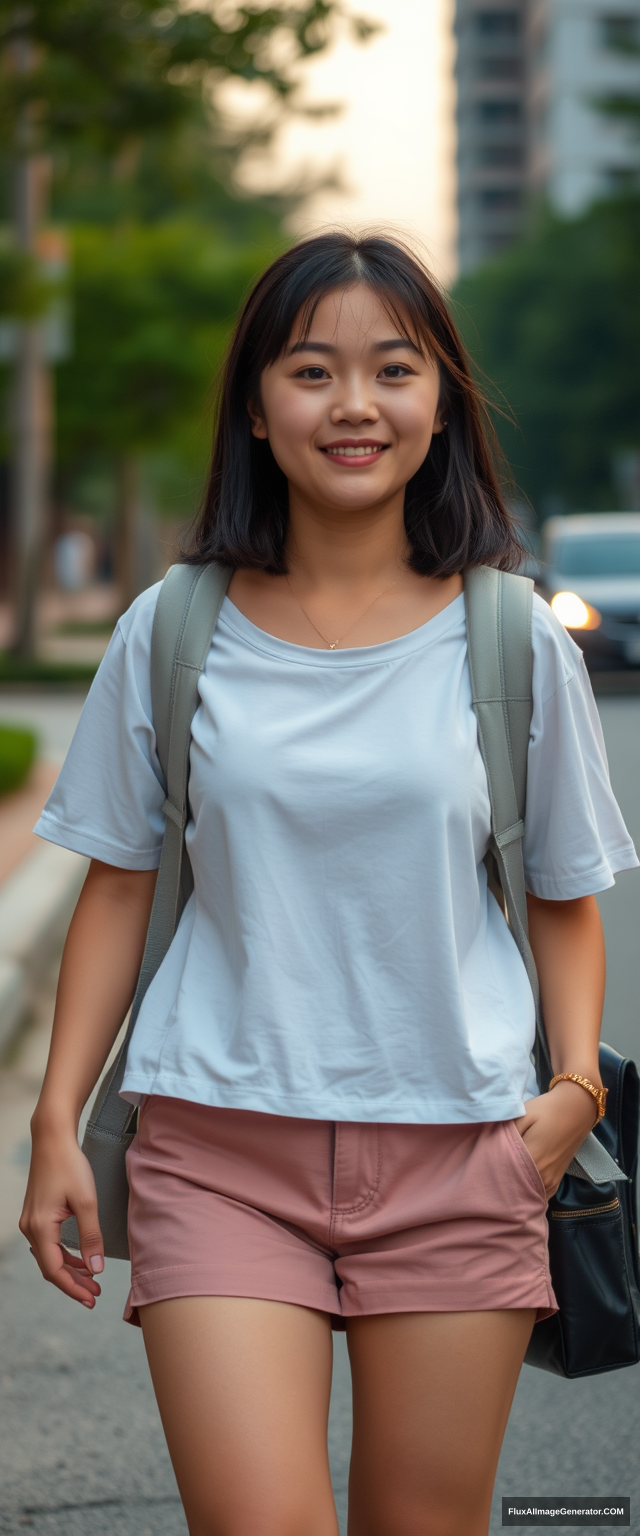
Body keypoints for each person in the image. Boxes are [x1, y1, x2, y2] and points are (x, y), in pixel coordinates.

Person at [21, 234, 638, 1536]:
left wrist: (570, 1096)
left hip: (462, 1157)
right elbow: (120, 889)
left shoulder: (513, 634)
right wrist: (53, 1124)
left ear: (441, 400)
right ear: (256, 404)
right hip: (218, 1153)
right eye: (313, 370)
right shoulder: (169, 629)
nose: (354, 405)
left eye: (392, 370)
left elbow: (564, 895)